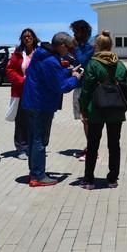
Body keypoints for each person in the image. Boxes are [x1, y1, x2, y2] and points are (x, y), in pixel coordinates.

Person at [21, 32, 83, 187]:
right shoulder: (50, 60)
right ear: (61, 46)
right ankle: (38, 176)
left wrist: (67, 71)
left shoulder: (42, 54)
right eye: (68, 48)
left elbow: (50, 76)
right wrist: (75, 77)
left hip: (32, 102)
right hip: (41, 105)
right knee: (40, 140)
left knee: (34, 139)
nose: (69, 51)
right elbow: (61, 86)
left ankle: (35, 171)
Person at [79, 30, 127, 190]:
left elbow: (86, 90)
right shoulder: (120, 65)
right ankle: (112, 179)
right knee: (114, 145)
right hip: (116, 110)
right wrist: (123, 107)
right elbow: (126, 91)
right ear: (111, 45)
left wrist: (83, 108)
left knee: (93, 145)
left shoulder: (93, 64)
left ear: (97, 46)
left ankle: (89, 179)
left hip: (96, 110)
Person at [6, 28, 40, 160]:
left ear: (34, 38)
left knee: (35, 120)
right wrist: (22, 81)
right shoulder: (18, 53)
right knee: (21, 121)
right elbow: (10, 70)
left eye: (29, 36)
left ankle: (33, 147)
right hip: (21, 91)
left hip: (36, 93)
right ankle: (21, 148)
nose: (27, 38)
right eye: (25, 37)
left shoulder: (39, 53)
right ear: (21, 39)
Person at [69, 20, 94, 161]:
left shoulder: (92, 47)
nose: (74, 34)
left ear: (83, 31)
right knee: (84, 120)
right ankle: (89, 147)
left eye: (76, 31)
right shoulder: (77, 47)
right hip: (78, 87)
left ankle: (92, 150)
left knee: (88, 120)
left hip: (88, 88)